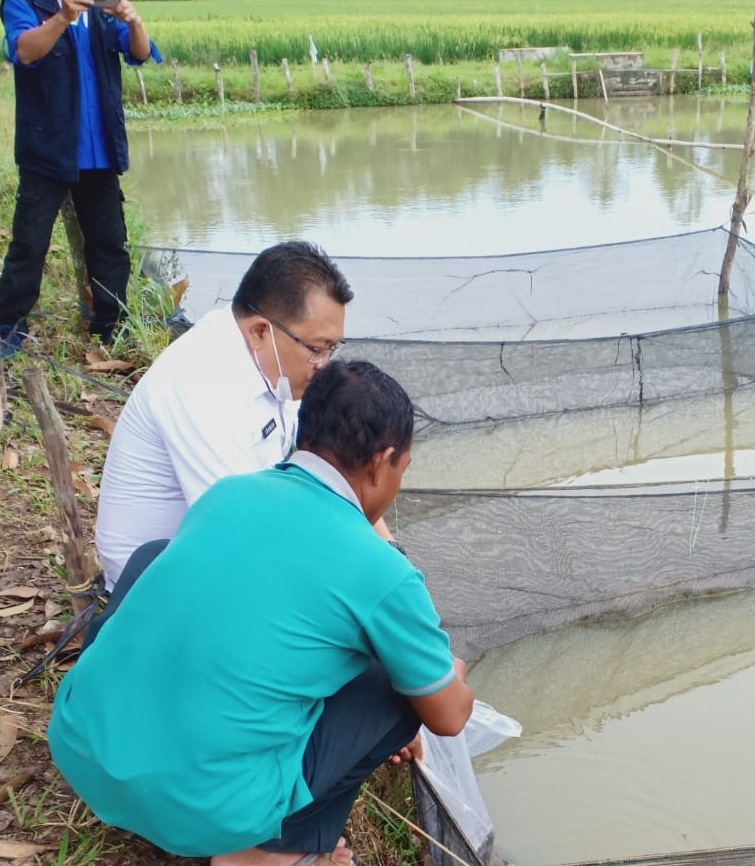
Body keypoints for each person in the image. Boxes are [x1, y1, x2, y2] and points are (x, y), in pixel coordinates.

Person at [49, 359, 475, 864]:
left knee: (151, 558)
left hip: (83, 751)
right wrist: (451, 675)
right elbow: (448, 717)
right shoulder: (385, 573)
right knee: (402, 690)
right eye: (402, 470)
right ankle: (278, 851)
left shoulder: (228, 493)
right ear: (382, 462)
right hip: (209, 812)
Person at [95, 241, 367, 592]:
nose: (324, 363)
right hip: (157, 583)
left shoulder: (276, 364)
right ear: (259, 331)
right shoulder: (202, 382)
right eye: (317, 349)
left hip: (215, 546)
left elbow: (329, 461)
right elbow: (245, 534)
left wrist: (383, 549)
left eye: (333, 348)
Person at [0, 0, 160, 348]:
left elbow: (141, 53)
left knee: (110, 246)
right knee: (29, 244)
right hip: (47, 148)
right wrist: (63, 16)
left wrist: (133, 18)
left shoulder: (106, 5)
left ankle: (112, 327)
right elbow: (25, 51)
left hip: (100, 148)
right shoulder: (24, 0)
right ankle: (7, 330)